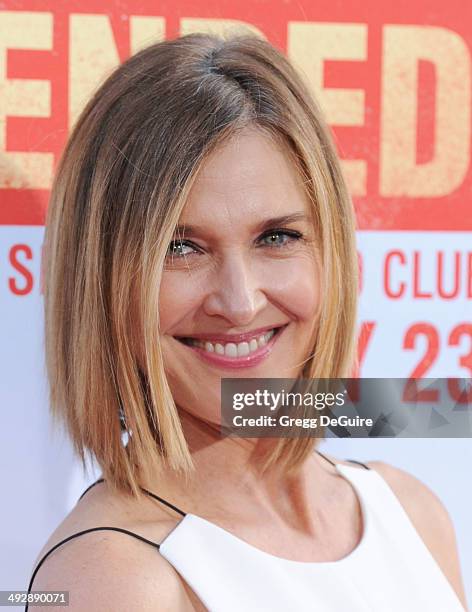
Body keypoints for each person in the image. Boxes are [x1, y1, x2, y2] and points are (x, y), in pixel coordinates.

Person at [27, 32, 467, 611]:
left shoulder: (409, 511)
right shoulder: (116, 579)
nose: (238, 302)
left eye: (277, 237)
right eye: (180, 248)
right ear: (103, 280)